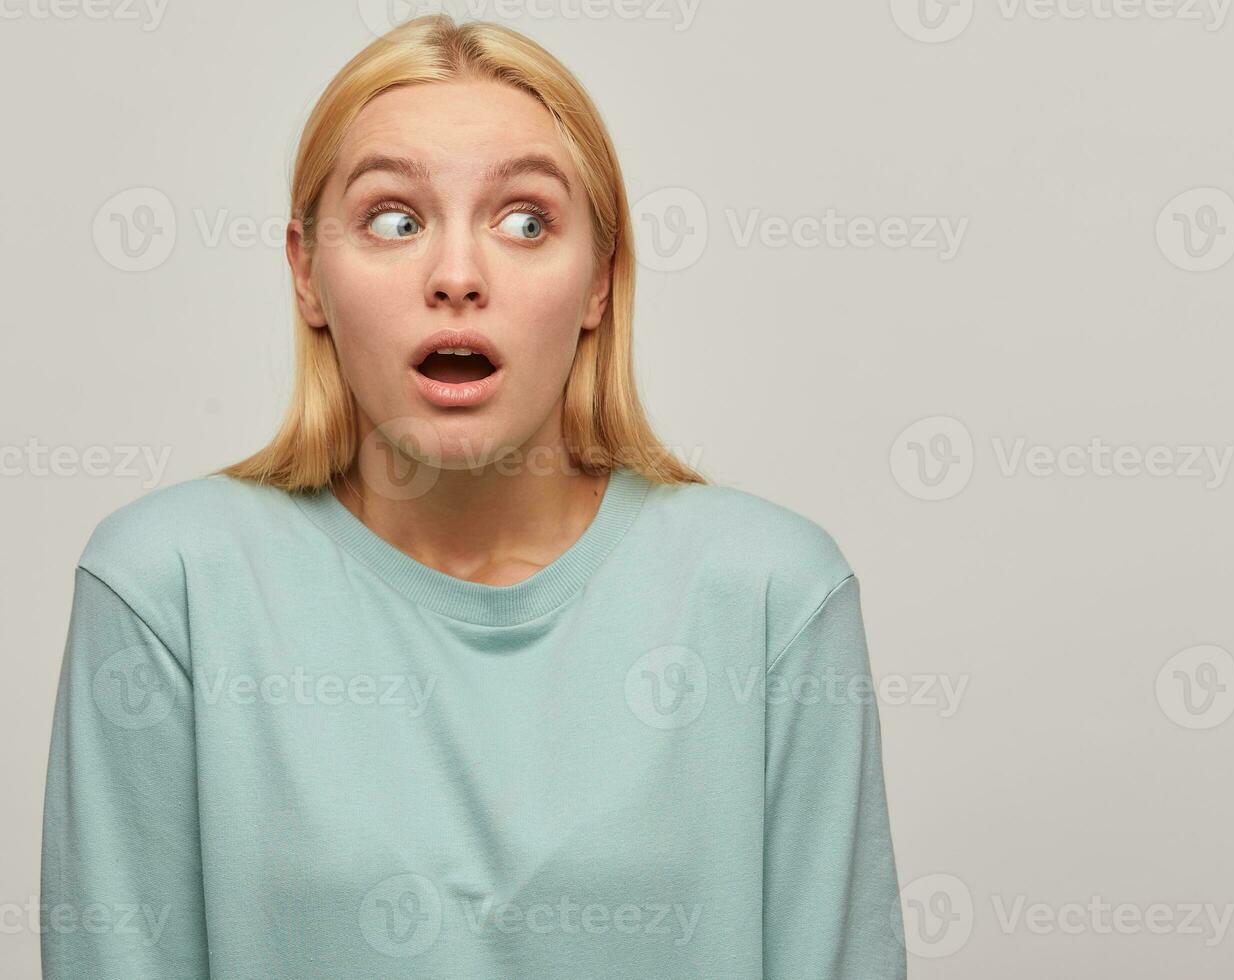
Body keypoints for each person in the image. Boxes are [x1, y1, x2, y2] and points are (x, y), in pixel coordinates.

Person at [40, 13, 905, 978]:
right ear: (306, 272)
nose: (456, 277)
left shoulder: (771, 597)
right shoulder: (169, 589)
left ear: (600, 283)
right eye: (394, 220)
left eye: (526, 221)